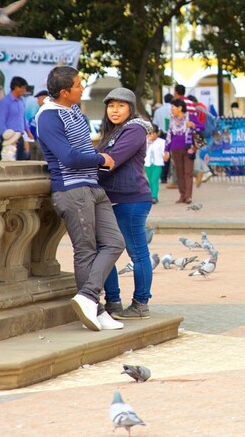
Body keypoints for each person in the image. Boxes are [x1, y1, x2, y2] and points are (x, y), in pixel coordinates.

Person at [35, 65, 125, 332]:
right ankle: (94, 308)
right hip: (72, 190)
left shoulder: (73, 109)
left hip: (92, 186)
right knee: (85, 249)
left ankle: (87, 297)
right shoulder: (48, 117)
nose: (82, 88)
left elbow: (82, 146)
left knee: (114, 243)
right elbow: (68, 157)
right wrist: (101, 159)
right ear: (64, 92)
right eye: (78, 85)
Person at [97, 87, 155, 320]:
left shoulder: (134, 130)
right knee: (106, 251)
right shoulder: (114, 132)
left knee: (137, 253)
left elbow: (111, 161)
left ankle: (141, 304)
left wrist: (77, 160)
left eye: (121, 106)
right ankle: (113, 302)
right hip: (111, 199)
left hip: (131, 200)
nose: (115, 110)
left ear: (130, 108)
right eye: (111, 106)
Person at [163, 98, 202, 204]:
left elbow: (202, 127)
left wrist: (193, 125)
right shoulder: (171, 119)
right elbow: (169, 135)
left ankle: (188, 196)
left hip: (189, 148)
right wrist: (166, 150)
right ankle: (182, 195)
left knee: (188, 173)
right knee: (179, 172)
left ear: (180, 108)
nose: (171, 109)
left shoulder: (190, 117)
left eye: (173, 107)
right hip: (175, 149)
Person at [0, 76, 32, 160]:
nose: (25, 90)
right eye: (23, 88)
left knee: (21, 161)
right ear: (17, 88)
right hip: (9, 138)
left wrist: (28, 132)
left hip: (20, 136)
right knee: (9, 162)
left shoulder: (21, 101)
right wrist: (7, 137)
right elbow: (1, 121)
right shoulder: (5, 101)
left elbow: (23, 118)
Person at [145, 124, 165, 204]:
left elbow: (164, 152)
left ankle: (154, 196)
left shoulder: (161, 142)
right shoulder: (145, 142)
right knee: (150, 180)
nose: (151, 135)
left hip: (157, 163)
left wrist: (166, 156)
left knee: (154, 179)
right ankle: (150, 196)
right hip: (147, 163)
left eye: (153, 133)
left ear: (157, 133)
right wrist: (148, 143)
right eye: (149, 134)